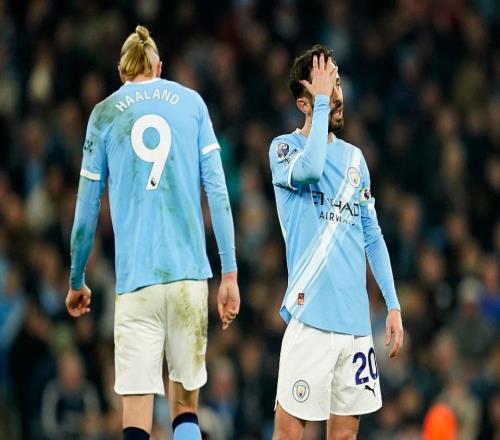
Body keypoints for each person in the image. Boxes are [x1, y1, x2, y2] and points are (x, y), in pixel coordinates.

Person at [64, 25, 240, 440]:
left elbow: (86, 209)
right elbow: (218, 191)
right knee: (185, 410)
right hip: (188, 277)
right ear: (159, 67)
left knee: (136, 414)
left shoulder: (105, 113)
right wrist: (229, 272)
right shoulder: (192, 104)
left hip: (136, 283)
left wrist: (76, 279)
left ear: (121, 73)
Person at [269, 45, 404, 439]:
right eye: (327, 88)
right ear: (303, 103)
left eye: (338, 83)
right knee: (289, 432)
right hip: (310, 317)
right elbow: (311, 169)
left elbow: (372, 237)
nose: (337, 95)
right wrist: (322, 103)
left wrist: (393, 304)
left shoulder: (355, 160)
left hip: (355, 326)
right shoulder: (284, 149)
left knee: (345, 436)